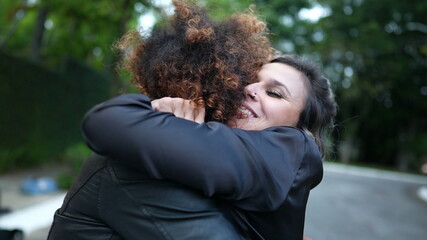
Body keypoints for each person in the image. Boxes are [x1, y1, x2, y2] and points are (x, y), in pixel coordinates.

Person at [48, 1, 274, 239]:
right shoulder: (139, 164)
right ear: (224, 96)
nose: (249, 98)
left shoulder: (163, 145)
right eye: (243, 90)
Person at [79, 55, 337, 240]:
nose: (249, 89)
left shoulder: (291, 146)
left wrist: (169, 123)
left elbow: (107, 121)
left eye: (275, 93)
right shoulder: (227, 138)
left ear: (300, 127)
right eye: (249, 80)